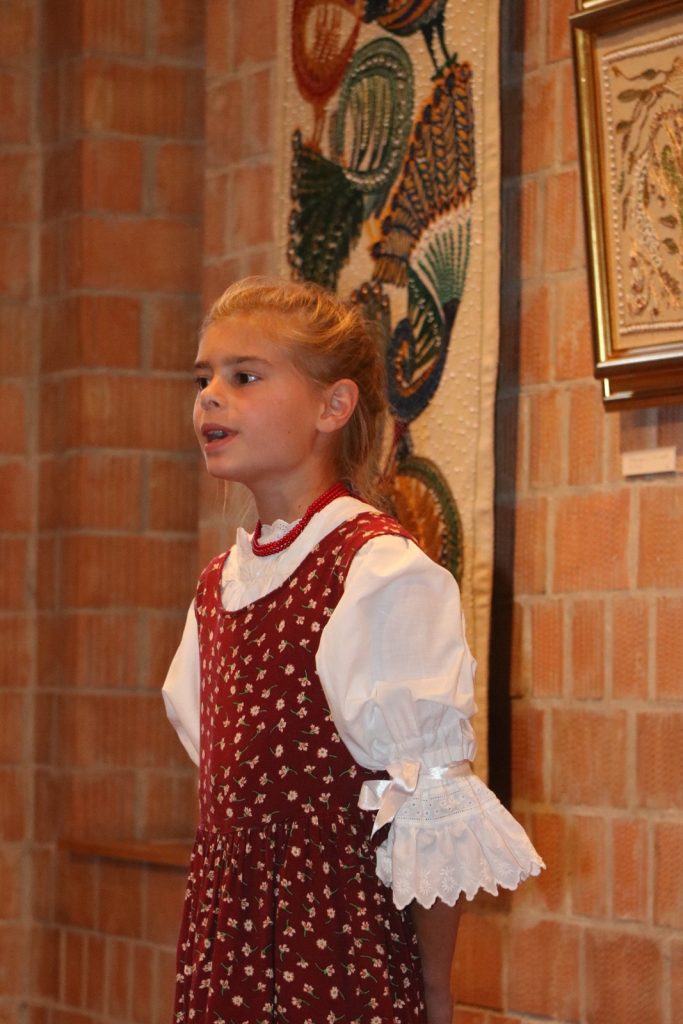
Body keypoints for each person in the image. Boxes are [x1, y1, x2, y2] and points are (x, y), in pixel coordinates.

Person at [162, 277, 544, 1024]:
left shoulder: (376, 572)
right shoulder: (221, 585)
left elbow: (428, 800)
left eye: (244, 376)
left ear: (332, 407)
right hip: (229, 950)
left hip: (335, 956)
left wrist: (433, 989)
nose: (210, 397)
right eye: (203, 378)